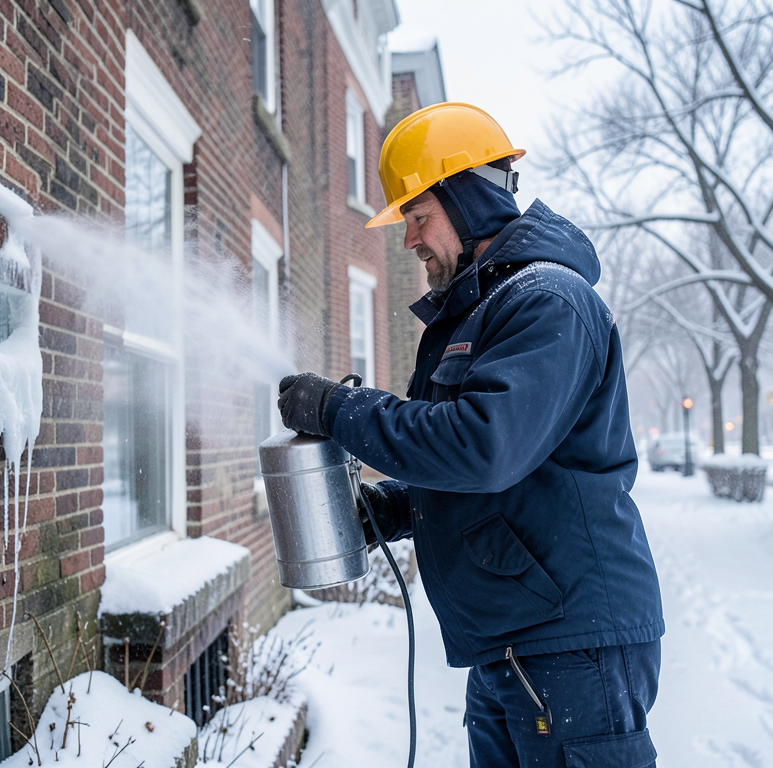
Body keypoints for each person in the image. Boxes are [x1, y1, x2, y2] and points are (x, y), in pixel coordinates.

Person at [277, 103, 664, 766]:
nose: (409, 239)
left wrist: (341, 409)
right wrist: (391, 508)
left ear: (470, 200)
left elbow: (484, 447)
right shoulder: (482, 313)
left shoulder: (547, 302)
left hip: (569, 644)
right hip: (512, 642)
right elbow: (485, 473)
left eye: (418, 215)